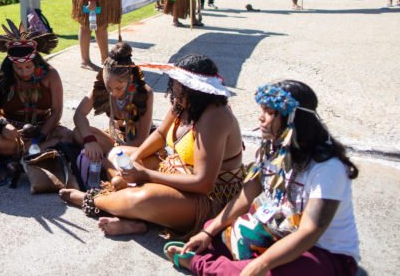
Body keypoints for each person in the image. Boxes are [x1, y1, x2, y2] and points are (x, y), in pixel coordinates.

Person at [166, 80, 360, 276]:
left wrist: (262, 264)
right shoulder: (275, 151)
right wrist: (208, 232)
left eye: (268, 112)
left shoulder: (328, 168)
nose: (261, 118)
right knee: (213, 229)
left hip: (320, 251)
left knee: (279, 271)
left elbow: (309, 232)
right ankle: (227, 264)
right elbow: (244, 198)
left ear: (291, 118)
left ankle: (200, 265)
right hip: (277, 232)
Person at [60, 54, 245, 240]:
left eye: (178, 84)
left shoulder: (215, 118)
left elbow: (203, 184)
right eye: (174, 82)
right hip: (174, 170)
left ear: (195, 89)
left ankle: (93, 200)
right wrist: (134, 160)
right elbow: (161, 134)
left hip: (210, 197)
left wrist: (145, 175)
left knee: (144, 199)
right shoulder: (182, 104)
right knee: (118, 154)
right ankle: (135, 219)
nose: (174, 87)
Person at [0, 20, 72, 159]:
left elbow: (57, 111)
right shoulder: (1, 75)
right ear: (11, 66)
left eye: (28, 67)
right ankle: (33, 152)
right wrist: (2, 126)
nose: (24, 72)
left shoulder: (50, 75)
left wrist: (40, 137)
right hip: (9, 131)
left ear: (36, 62)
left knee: (69, 137)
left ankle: (26, 153)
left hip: (41, 128)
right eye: (19, 68)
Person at [70, 42, 153, 185]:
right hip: (114, 141)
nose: (113, 93)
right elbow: (79, 115)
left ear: (130, 79)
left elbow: (140, 142)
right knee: (79, 133)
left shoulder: (145, 93)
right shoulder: (101, 87)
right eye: (109, 88)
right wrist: (90, 141)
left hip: (136, 147)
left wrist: (115, 153)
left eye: (119, 88)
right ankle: (108, 162)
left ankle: (104, 162)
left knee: (124, 166)